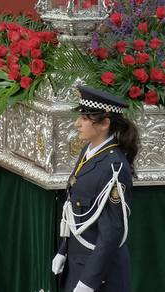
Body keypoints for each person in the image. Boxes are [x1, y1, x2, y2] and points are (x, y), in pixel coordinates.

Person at [51, 86, 136, 292]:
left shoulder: (114, 168)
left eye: (85, 118)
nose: (77, 123)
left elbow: (112, 233)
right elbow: (76, 211)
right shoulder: (89, 152)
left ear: (104, 124)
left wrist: (88, 283)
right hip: (78, 264)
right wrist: (64, 250)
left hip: (101, 277)